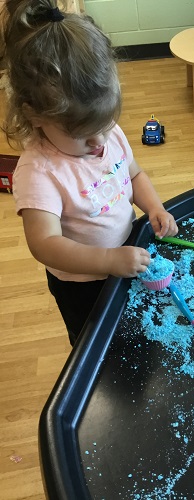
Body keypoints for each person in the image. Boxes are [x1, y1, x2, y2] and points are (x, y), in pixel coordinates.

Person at [1, 0, 178, 345]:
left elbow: (135, 175)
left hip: (127, 250)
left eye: (105, 123)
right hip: (81, 284)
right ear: (36, 116)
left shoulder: (107, 134)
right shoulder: (39, 172)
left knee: (133, 330)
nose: (100, 142)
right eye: (83, 135)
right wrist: (107, 260)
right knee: (94, 343)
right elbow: (45, 245)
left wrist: (154, 208)